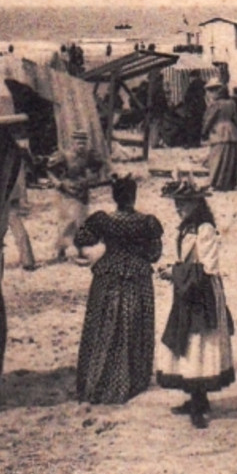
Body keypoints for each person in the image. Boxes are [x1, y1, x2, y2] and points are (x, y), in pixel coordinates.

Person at [74, 175, 164, 404]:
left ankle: (99, 379)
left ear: (114, 197)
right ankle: (133, 379)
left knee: (104, 326)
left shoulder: (103, 220)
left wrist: (105, 246)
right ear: (134, 196)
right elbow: (154, 254)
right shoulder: (147, 222)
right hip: (137, 276)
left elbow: (81, 238)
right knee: (133, 327)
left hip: (108, 275)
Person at [155, 183, 236, 429]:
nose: (179, 208)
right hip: (187, 290)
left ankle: (200, 404)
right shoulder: (185, 228)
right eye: (177, 203)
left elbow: (209, 267)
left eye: (184, 203)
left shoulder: (205, 229)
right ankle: (195, 398)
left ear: (197, 204)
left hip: (202, 294)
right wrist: (174, 269)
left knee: (200, 343)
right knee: (187, 343)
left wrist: (175, 272)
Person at [50, 134, 106, 263]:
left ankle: (80, 249)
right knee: (67, 222)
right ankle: (61, 250)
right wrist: (59, 183)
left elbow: (99, 165)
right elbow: (49, 171)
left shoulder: (88, 155)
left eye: (83, 143)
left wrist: (92, 177)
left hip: (82, 191)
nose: (81, 146)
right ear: (72, 143)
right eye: (78, 143)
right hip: (67, 191)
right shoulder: (63, 155)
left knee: (82, 222)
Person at [202, 81, 237, 192]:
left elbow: (209, 119)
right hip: (231, 130)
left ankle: (215, 182)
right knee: (230, 158)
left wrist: (204, 132)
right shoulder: (232, 103)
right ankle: (229, 183)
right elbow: (236, 118)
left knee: (217, 158)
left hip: (218, 130)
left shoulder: (215, 104)